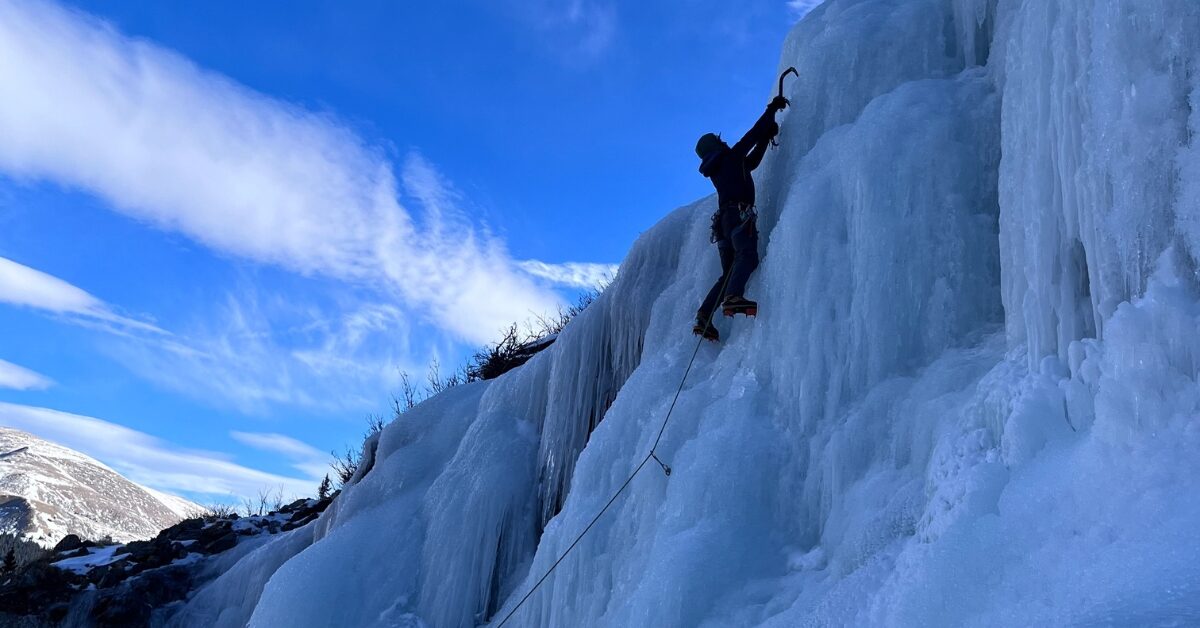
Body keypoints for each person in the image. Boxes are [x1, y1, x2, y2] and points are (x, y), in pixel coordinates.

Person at [692, 95, 789, 341]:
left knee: (729, 272)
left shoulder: (722, 168)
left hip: (723, 223)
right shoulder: (730, 158)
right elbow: (751, 135)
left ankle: (704, 315)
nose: (724, 142)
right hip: (738, 215)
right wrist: (771, 111)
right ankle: (733, 297)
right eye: (719, 140)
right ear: (717, 145)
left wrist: (767, 137)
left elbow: (752, 162)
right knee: (747, 256)